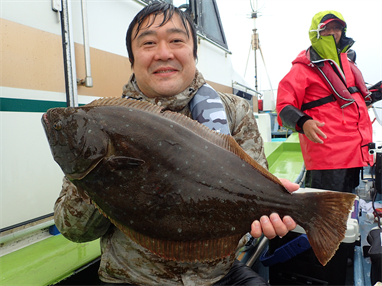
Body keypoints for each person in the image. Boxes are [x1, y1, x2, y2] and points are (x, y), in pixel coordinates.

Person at [54, 3, 298, 286]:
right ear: (131, 59)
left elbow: (251, 204)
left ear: (194, 52)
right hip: (132, 279)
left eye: (176, 40)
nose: (164, 53)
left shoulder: (235, 111)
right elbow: (73, 230)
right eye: (148, 43)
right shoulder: (102, 123)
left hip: (218, 277)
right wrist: (101, 179)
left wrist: (263, 213)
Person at [276, 10, 382, 194]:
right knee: (326, 210)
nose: (333, 32)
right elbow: (283, 107)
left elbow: (357, 99)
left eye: (337, 28)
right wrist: (303, 121)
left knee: (348, 203)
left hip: (355, 153)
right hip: (328, 158)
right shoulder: (303, 68)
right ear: (316, 33)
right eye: (327, 28)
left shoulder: (347, 63)